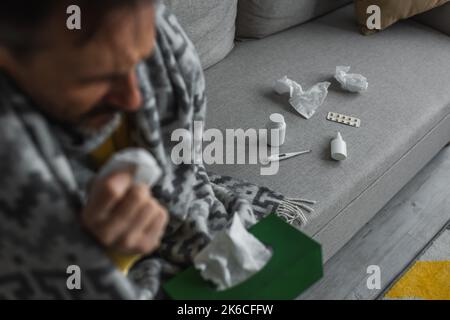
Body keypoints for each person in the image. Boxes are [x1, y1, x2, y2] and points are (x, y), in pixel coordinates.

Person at [0, 0, 300, 299]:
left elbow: (186, 163)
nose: (134, 99)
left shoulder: (162, 41)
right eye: (97, 78)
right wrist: (104, 256)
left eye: (140, 60)